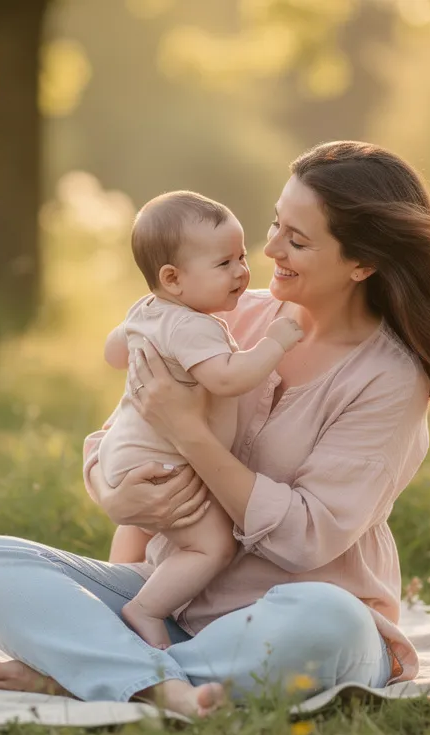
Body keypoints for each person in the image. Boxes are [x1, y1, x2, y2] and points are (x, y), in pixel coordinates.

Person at [0, 140, 430, 719]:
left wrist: (192, 435)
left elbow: (306, 537)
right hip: (172, 607)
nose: (269, 252)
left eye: (298, 240)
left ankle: (93, 673)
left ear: (362, 261)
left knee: (328, 622)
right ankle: (148, 677)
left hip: (290, 618)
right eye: (274, 226)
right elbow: (121, 433)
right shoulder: (224, 321)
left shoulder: (389, 380)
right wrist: (114, 492)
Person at [97, 190, 305, 650]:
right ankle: (144, 609)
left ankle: (117, 595)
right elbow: (228, 379)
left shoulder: (145, 310)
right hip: (159, 459)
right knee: (211, 546)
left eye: (241, 256)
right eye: (224, 264)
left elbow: (114, 352)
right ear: (172, 278)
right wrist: (274, 342)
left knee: (139, 529)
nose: (242, 272)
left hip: (124, 453)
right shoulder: (193, 326)